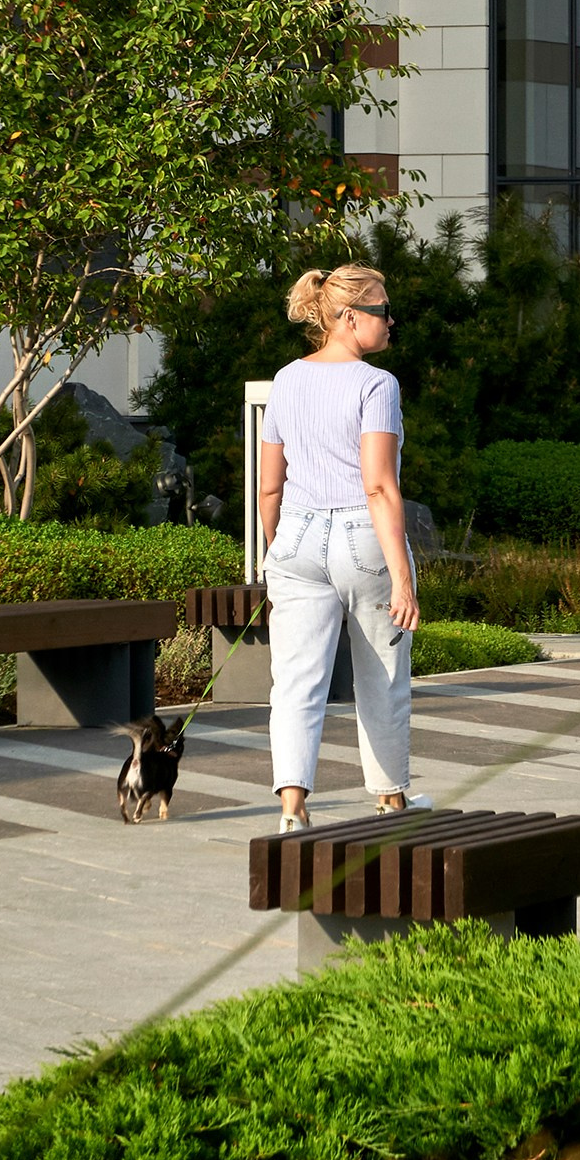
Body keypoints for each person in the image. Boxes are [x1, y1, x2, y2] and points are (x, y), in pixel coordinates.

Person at [259, 261, 422, 832]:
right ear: (349, 318)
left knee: (296, 680)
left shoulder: (285, 380)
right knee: (380, 675)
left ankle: (292, 808)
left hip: (296, 538)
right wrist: (403, 578)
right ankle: (389, 799)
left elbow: (269, 484)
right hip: (362, 538)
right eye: (381, 311)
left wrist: (280, 547)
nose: (390, 320)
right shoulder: (377, 385)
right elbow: (379, 485)